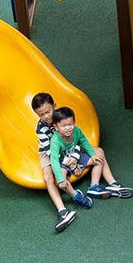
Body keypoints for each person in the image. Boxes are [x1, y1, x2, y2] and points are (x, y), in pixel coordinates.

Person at [31, 92, 94, 233]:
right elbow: (52, 154)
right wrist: (71, 163)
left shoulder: (62, 119)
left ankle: (80, 194)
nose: (46, 116)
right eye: (41, 114)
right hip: (49, 153)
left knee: (95, 153)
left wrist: (75, 159)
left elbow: (77, 139)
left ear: (54, 106)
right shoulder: (41, 129)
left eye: (48, 111)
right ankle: (62, 211)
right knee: (48, 177)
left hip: (67, 148)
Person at [48, 106, 133, 199]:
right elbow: (54, 160)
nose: (68, 128)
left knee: (99, 158)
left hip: (75, 156)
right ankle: (77, 197)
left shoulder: (76, 130)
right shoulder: (55, 140)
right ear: (56, 127)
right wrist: (61, 178)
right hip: (63, 163)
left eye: (71, 124)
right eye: (64, 126)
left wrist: (93, 154)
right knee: (62, 181)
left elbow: (83, 141)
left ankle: (95, 186)